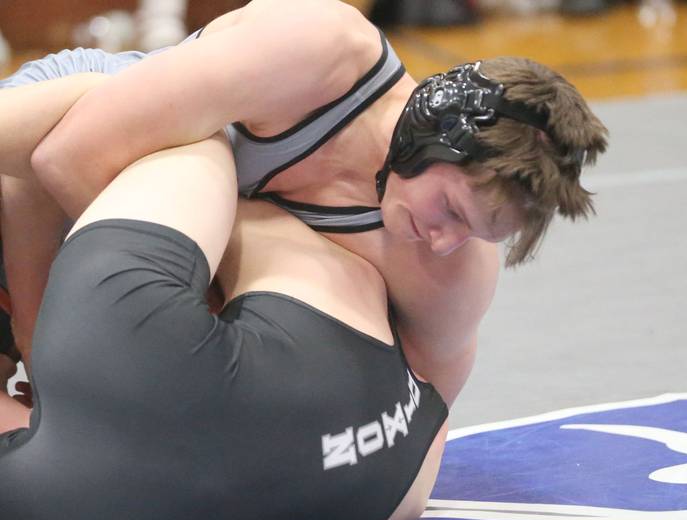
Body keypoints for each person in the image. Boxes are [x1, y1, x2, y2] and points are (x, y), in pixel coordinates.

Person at [1, 0, 608, 416]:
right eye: (451, 209)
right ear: (430, 132)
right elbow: (62, 159)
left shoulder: (454, 272)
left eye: (480, 233)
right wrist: (44, 352)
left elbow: (417, 433)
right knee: (196, 165)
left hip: (141, 240)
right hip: (62, 143)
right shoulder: (318, 54)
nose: (446, 241)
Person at [0, 130, 449, 520]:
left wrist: (29, 322)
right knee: (183, 130)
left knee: (183, 131)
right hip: (371, 453)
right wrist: (31, 324)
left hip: (372, 447)